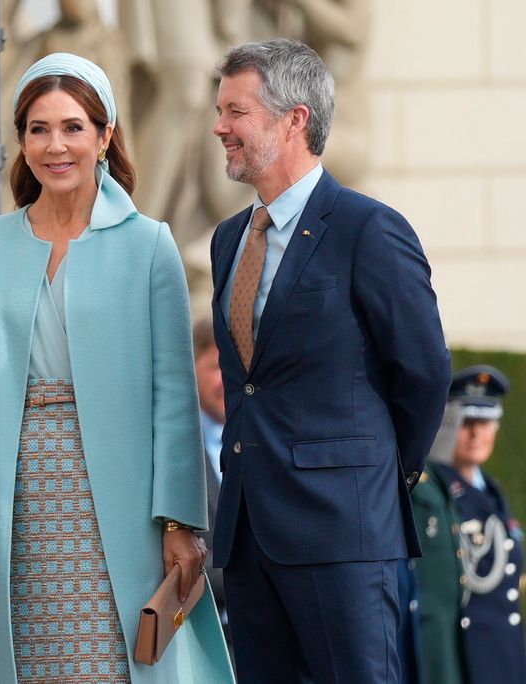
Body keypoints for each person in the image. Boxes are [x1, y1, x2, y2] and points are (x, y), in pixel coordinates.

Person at [0, 53, 233, 684]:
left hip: (117, 503)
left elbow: (173, 396)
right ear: (21, 142)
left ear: (105, 136)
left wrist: (181, 522)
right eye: (38, 129)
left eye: (73, 127)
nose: (55, 145)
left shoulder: (149, 245)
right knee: (25, 662)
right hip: (11, 499)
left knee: (109, 659)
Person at [207, 39, 450, 683]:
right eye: (220, 110)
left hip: (345, 533)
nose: (219, 127)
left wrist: (377, 478)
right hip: (250, 538)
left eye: (237, 111)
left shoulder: (369, 230)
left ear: (295, 119)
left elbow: (424, 375)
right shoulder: (229, 239)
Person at [413, 366, 526, 684]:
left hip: (503, 653)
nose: (477, 433)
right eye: (466, 422)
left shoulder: (490, 488)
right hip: (463, 657)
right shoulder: (430, 492)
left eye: (485, 422)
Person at [191, 316, 230, 640]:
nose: (228, 380)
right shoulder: (177, 450)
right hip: (206, 634)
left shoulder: (271, 446)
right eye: (218, 367)